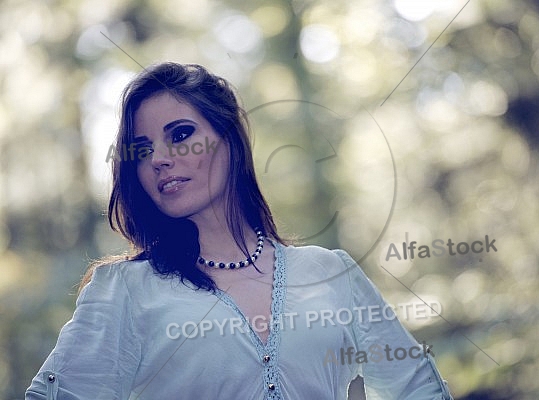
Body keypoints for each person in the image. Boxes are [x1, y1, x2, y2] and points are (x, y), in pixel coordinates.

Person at [25, 62, 453, 399]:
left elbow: (418, 389)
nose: (159, 158)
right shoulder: (124, 290)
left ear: (229, 139)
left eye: (181, 134)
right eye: (143, 149)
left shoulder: (331, 273)